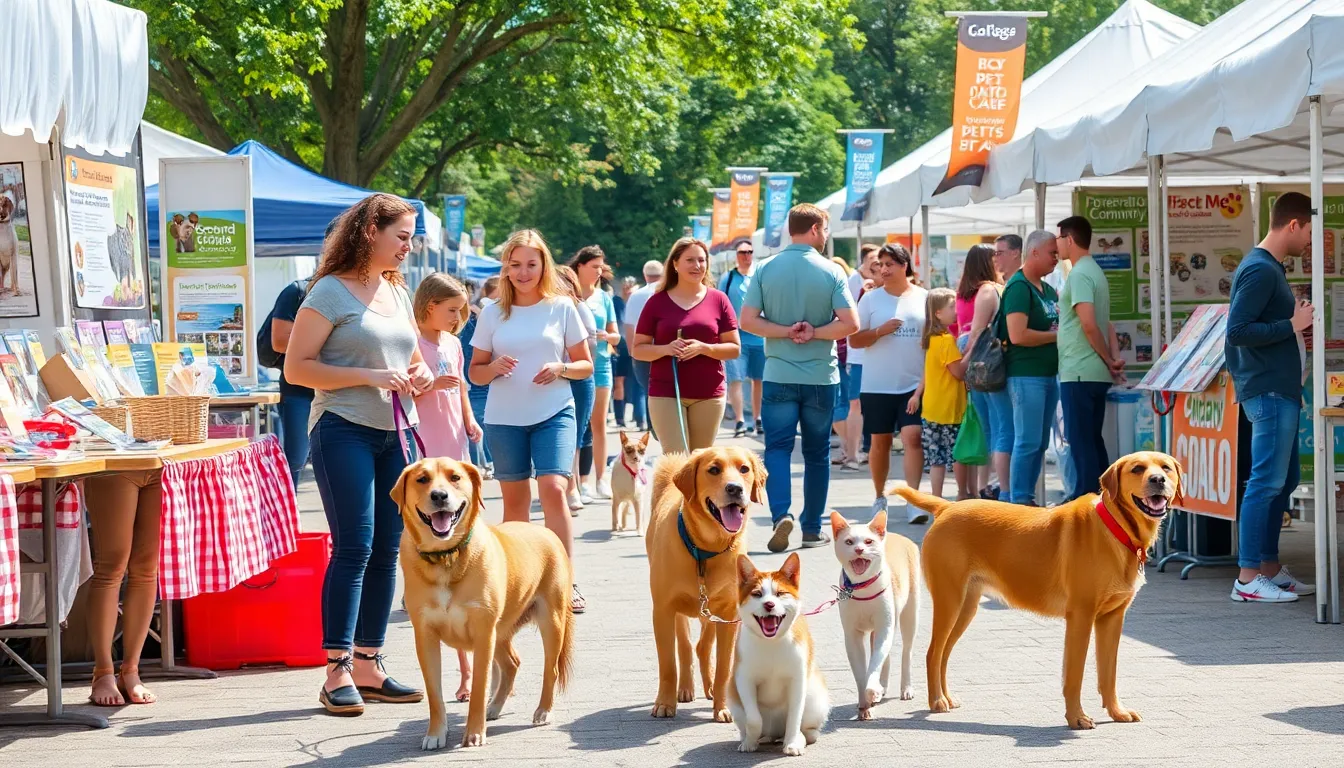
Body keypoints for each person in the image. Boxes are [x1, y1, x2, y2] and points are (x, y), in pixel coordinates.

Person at [285, 193, 435, 715]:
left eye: (412, 239)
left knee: (389, 548)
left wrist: (422, 376)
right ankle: (336, 670)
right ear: (371, 231)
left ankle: (370, 662)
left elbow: (413, 359)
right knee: (355, 546)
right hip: (343, 429)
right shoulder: (328, 291)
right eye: (402, 237)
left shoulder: (396, 289)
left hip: (398, 431)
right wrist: (368, 376)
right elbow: (296, 369)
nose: (408, 248)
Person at [468, 229, 594, 613]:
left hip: (553, 412)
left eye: (531, 265)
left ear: (544, 266)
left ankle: (564, 581)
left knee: (554, 488)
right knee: (515, 506)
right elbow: (474, 374)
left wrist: (561, 367)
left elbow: (585, 365)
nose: (523, 272)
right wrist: (492, 367)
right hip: (504, 418)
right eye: (515, 265)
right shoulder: (492, 312)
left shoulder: (561, 307)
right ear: (506, 268)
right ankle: (518, 585)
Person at [741, 203, 858, 552]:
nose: (826, 236)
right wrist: (814, 332)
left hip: (778, 372)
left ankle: (780, 515)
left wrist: (784, 330)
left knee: (777, 447)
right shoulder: (831, 271)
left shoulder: (764, 268)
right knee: (817, 453)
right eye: (825, 229)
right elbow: (851, 324)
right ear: (814, 229)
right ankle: (810, 527)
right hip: (821, 375)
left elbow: (747, 321)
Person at [1226, 191, 1316, 603]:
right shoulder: (1261, 270)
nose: (1311, 243)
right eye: (1310, 233)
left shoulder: (1268, 268)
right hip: (1268, 389)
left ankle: (1268, 568)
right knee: (1264, 481)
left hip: (1278, 388)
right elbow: (1238, 332)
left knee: (1286, 479)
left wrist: (1292, 324)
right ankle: (1247, 578)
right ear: (1293, 225)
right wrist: (1291, 324)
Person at [410, 272, 479, 702]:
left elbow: (463, 389)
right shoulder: (411, 340)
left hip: (455, 449)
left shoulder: (452, 343)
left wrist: (470, 418)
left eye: (461, 311)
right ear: (428, 305)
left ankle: (469, 670)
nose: (457, 318)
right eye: (452, 310)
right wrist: (432, 386)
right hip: (423, 449)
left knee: (462, 538)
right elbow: (406, 393)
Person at [633, 237, 741, 453]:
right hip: (666, 392)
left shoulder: (719, 299)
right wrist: (666, 349)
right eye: (690, 260)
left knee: (700, 464)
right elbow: (638, 349)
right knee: (676, 461)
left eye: (702, 260)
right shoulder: (657, 302)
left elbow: (734, 348)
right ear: (675, 264)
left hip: (709, 393)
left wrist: (704, 348)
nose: (697, 266)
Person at [849, 244, 928, 522]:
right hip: (877, 384)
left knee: (913, 437)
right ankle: (880, 496)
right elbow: (854, 340)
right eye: (880, 264)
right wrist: (881, 331)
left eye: (889, 264)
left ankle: (913, 500)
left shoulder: (924, 297)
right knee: (879, 443)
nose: (883, 269)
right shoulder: (870, 300)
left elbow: (934, 337)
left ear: (904, 265)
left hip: (914, 383)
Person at [1056, 216, 1125, 500]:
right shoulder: (1093, 270)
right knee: (1092, 441)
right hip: (1089, 371)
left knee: (1082, 443)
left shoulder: (1081, 273)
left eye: (1059, 238)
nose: (1056, 244)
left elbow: (1089, 324)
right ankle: (1105, 501)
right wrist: (1109, 360)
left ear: (1069, 239)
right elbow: (1103, 323)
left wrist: (1109, 359)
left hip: (1080, 372)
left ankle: (1086, 505)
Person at [1001, 230, 1061, 506]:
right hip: (1026, 376)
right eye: (1052, 253)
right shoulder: (1018, 287)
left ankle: (1027, 500)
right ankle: (1020, 502)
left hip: (1047, 375)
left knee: (1038, 444)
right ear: (1034, 252)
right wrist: (1058, 335)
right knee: (1027, 442)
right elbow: (1018, 335)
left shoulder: (1046, 289)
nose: (1057, 259)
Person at [957, 244, 1012, 499]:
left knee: (986, 422)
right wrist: (968, 358)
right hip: (982, 354)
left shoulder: (964, 292)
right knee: (1000, 423)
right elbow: (978, 331)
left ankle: (986, 482)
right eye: (995, 256)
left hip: (970, 350)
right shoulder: (990, 290)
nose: (999, 260)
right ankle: (994, 483)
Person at [571, 246, 621, 498]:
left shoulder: (605, 298)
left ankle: (601, 479)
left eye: (601, 267)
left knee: (598, 423)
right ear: (580, 266)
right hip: (574, 365)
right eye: (594, 267)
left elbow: (617, 336)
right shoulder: (567, 294)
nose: (599, 272)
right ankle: (578, 484)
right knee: (577, 426)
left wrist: (607, 336)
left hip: (601, 364)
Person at [555, 265, 599, 511]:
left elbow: (589, 350)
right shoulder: (546, 310)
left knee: (576, 436)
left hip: (578, 379)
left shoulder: (579, 309)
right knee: (562, 436)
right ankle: (566, 485)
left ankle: (572, 487)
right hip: (554, 378)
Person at [921, 287, 970, 499]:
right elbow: (958, 372)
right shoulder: (946, 341)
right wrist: (970, 352)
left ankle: (936, 497)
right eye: (951, 307)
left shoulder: (930, 340)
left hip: (932, 408)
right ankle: (962, 494)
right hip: (950, 409)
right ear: (938, 313)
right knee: (958, 454)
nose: (956, 311)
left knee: (936, 458)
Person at [268, 276, 314, 483]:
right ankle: (288, 511)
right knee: (296, 459)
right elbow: (278, 342)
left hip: (338, 391)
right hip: (299, 391)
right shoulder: (297, 291)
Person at [719, 241, 766, 436]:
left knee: (759, 379)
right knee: (735, 378)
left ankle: (758, 417)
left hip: (759, 336)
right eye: (742, 252)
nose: (746, 255)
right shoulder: (728, 278)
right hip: (736, 336)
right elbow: (719, 304)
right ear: (736, 255)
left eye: (749, 252)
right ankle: (739, 419)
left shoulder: (760, 276)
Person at [844, 244, 881, 466]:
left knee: (875, 403)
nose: (878, 265)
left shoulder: (889, 287)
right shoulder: (857, 284)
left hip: (882, 357)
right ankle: (852, 454)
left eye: (882, 261)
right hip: (859, 356)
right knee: (856, 403)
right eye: (874, 260)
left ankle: (872, 449)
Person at [460, 276, 499, 478]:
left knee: (478, 422)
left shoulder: (479, 316)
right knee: (476, 423)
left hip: (477, 380)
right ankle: (481, 463)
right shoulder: (470, 319)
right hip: (469, 380)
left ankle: (484, 463)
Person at [624, 260, 665, 432]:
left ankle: (651, 429)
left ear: (645, 275)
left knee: (649, 393)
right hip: (667, 352)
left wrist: (633, 353)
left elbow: (629, 328)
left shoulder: (636, 295)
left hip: (644, 352)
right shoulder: (668, 292)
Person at [829, 256, 858, 471]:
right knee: (840, 407)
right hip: (834, 356)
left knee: (844, 406)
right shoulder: (832, 297)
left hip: (848, 357)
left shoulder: (848, 298)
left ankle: (851, 450)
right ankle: (850, 450)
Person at [612, 275, 636, 428]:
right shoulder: (616, 302)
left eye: (630, 287)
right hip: (621, 345)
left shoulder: (635, 301)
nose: (627, 290)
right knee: (619, 382)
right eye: (625, 287)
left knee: (636, 383)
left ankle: (638, 416)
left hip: (633, 345)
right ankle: (620, 417)